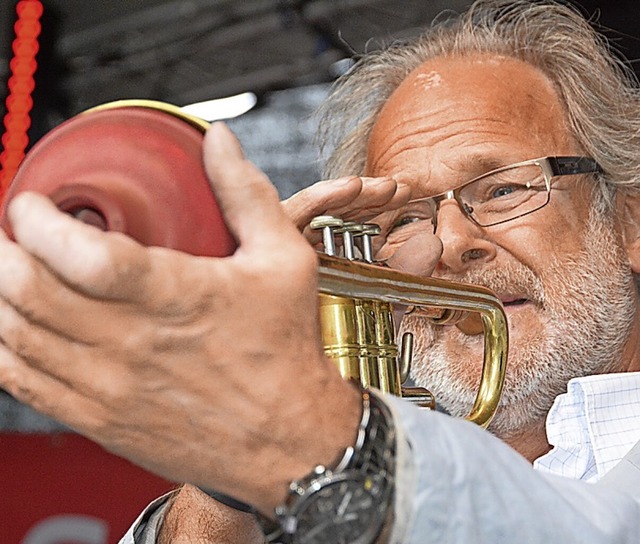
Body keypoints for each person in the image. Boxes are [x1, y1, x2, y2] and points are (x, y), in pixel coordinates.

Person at [1, 0, 640, 542]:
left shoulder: (344, 458)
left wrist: (298, 433)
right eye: (407, 218)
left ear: (630, 224)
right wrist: (227, 479)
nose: (450, 242)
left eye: (501, 189)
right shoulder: (340, 470)